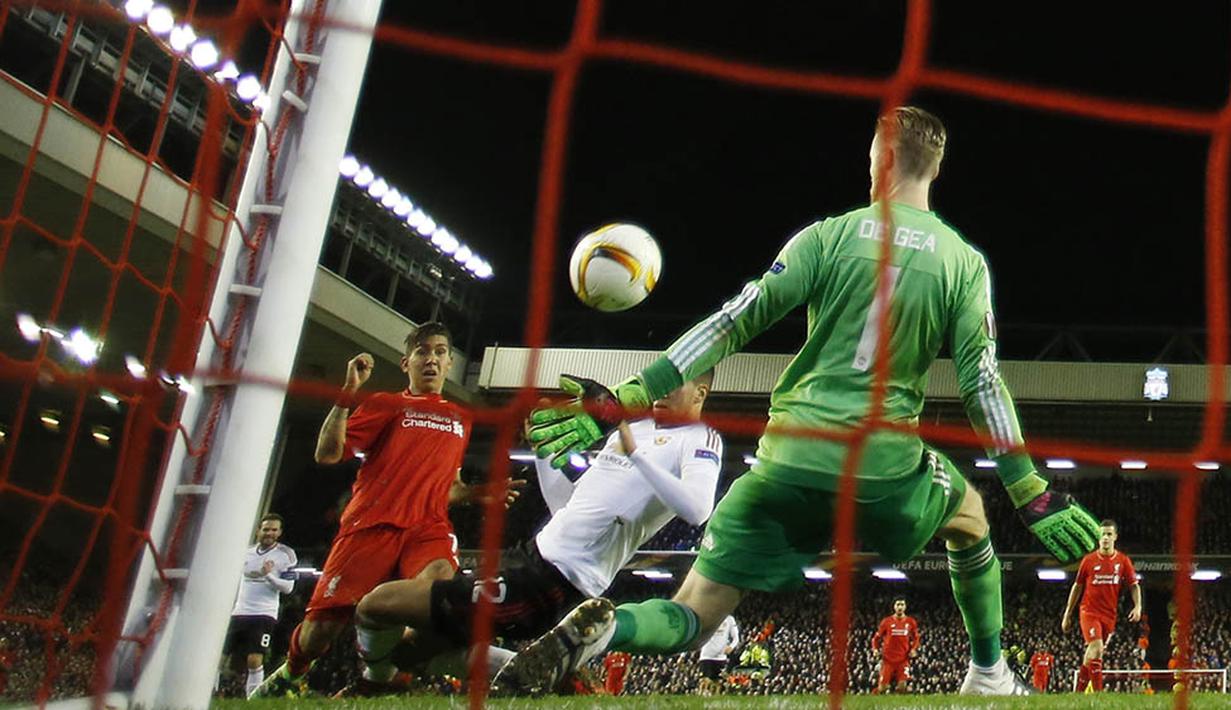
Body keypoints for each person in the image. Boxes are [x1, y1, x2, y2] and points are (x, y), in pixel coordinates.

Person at [498, 106, 1101, 696]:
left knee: (694, 615)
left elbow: (731, 323)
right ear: (935, 169)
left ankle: (606, 631)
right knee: (969, 516)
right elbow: (982, 382)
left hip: (788, 457)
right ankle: (988, 676)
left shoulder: (825, 237)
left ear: (879, 159)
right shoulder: (963, 263)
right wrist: (1030, 492)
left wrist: (629, 396)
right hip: (881, 464)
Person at [350, 371, 722, 691]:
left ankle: (373, 684)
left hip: (558, 581)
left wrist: (637, 454)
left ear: (699, 394)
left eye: (674, 385)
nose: (660, 391)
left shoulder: (699, 439)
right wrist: (542, 452)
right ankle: (558, 674)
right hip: (530, 557)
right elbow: (568, 506)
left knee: (376, 605)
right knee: (413, 651)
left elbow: (697, 509)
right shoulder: (630, 430)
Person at [252, 322, 513, 697]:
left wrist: (477, 494)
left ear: (450, 362)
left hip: (427, 527)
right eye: (423, 352)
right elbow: (327, 454)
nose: (432, 359)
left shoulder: (461, 418)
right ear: (406, 363)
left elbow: (449, 489)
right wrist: (348, 393)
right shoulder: (387, 405)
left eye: (440, 352)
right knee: (318, 636)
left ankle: (385, 676)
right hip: (371, 525)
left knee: (438, 583)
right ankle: (291, 673)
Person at [218, 513, 296, 697]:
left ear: (280, 532)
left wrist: (268, 575)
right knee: (220, 658)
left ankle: (253, 699)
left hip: (264, 614)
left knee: (254, 659)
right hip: (239, 611)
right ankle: (211, 694)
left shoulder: (286, 555)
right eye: (266, 529)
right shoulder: (246, 552)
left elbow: (288, 588)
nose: (269, 533)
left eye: (274, 530)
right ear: (258, 531)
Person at [1062, 519, 1142, 692]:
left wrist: (1138, 607)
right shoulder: (1089, 560)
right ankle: (1098, 694)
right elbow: (1077, 586)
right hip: (1089, 611)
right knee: (1097, 648)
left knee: (1092, 653)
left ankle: (1077, 694)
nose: (1105, 538)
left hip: (1109, 615)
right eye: (1102, 534)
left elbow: (1134, 585)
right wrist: (1068, 614)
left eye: (1109, 534)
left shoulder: (1122, 561)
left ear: (1115, 537)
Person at [871, 598, 919, 694]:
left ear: (905, 607)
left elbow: (916, 638)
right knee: (882, 689)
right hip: (888, 660)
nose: (900, 607)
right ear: (894, 606)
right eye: (898, 604)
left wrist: (914, 649)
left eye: (902, 604)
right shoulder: (886, 622)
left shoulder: (910, 622)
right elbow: (876, 638)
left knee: (902, 688)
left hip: (903, 659)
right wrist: (875, 649)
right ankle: (873, 696)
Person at [697, 614, 739, 696]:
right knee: (705, 681)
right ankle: (700, 697)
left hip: (720, 657)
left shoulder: (729, 619)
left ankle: (714, 702)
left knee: (718, 683)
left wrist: (731, 647)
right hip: (706, 655)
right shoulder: (707, 617)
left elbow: (736, 637)